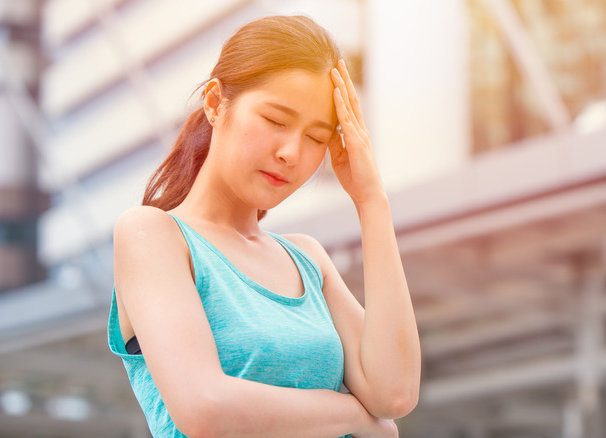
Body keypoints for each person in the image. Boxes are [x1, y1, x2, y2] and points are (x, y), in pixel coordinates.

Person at [107, 15, 421, 438]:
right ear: (216, 103)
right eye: (275, 120)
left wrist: (371, 201)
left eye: (316, 137)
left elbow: (395, 395)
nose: (291, 152)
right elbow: (205, 408)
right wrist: (352, 416)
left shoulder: (307, 258)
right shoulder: (152, 235)